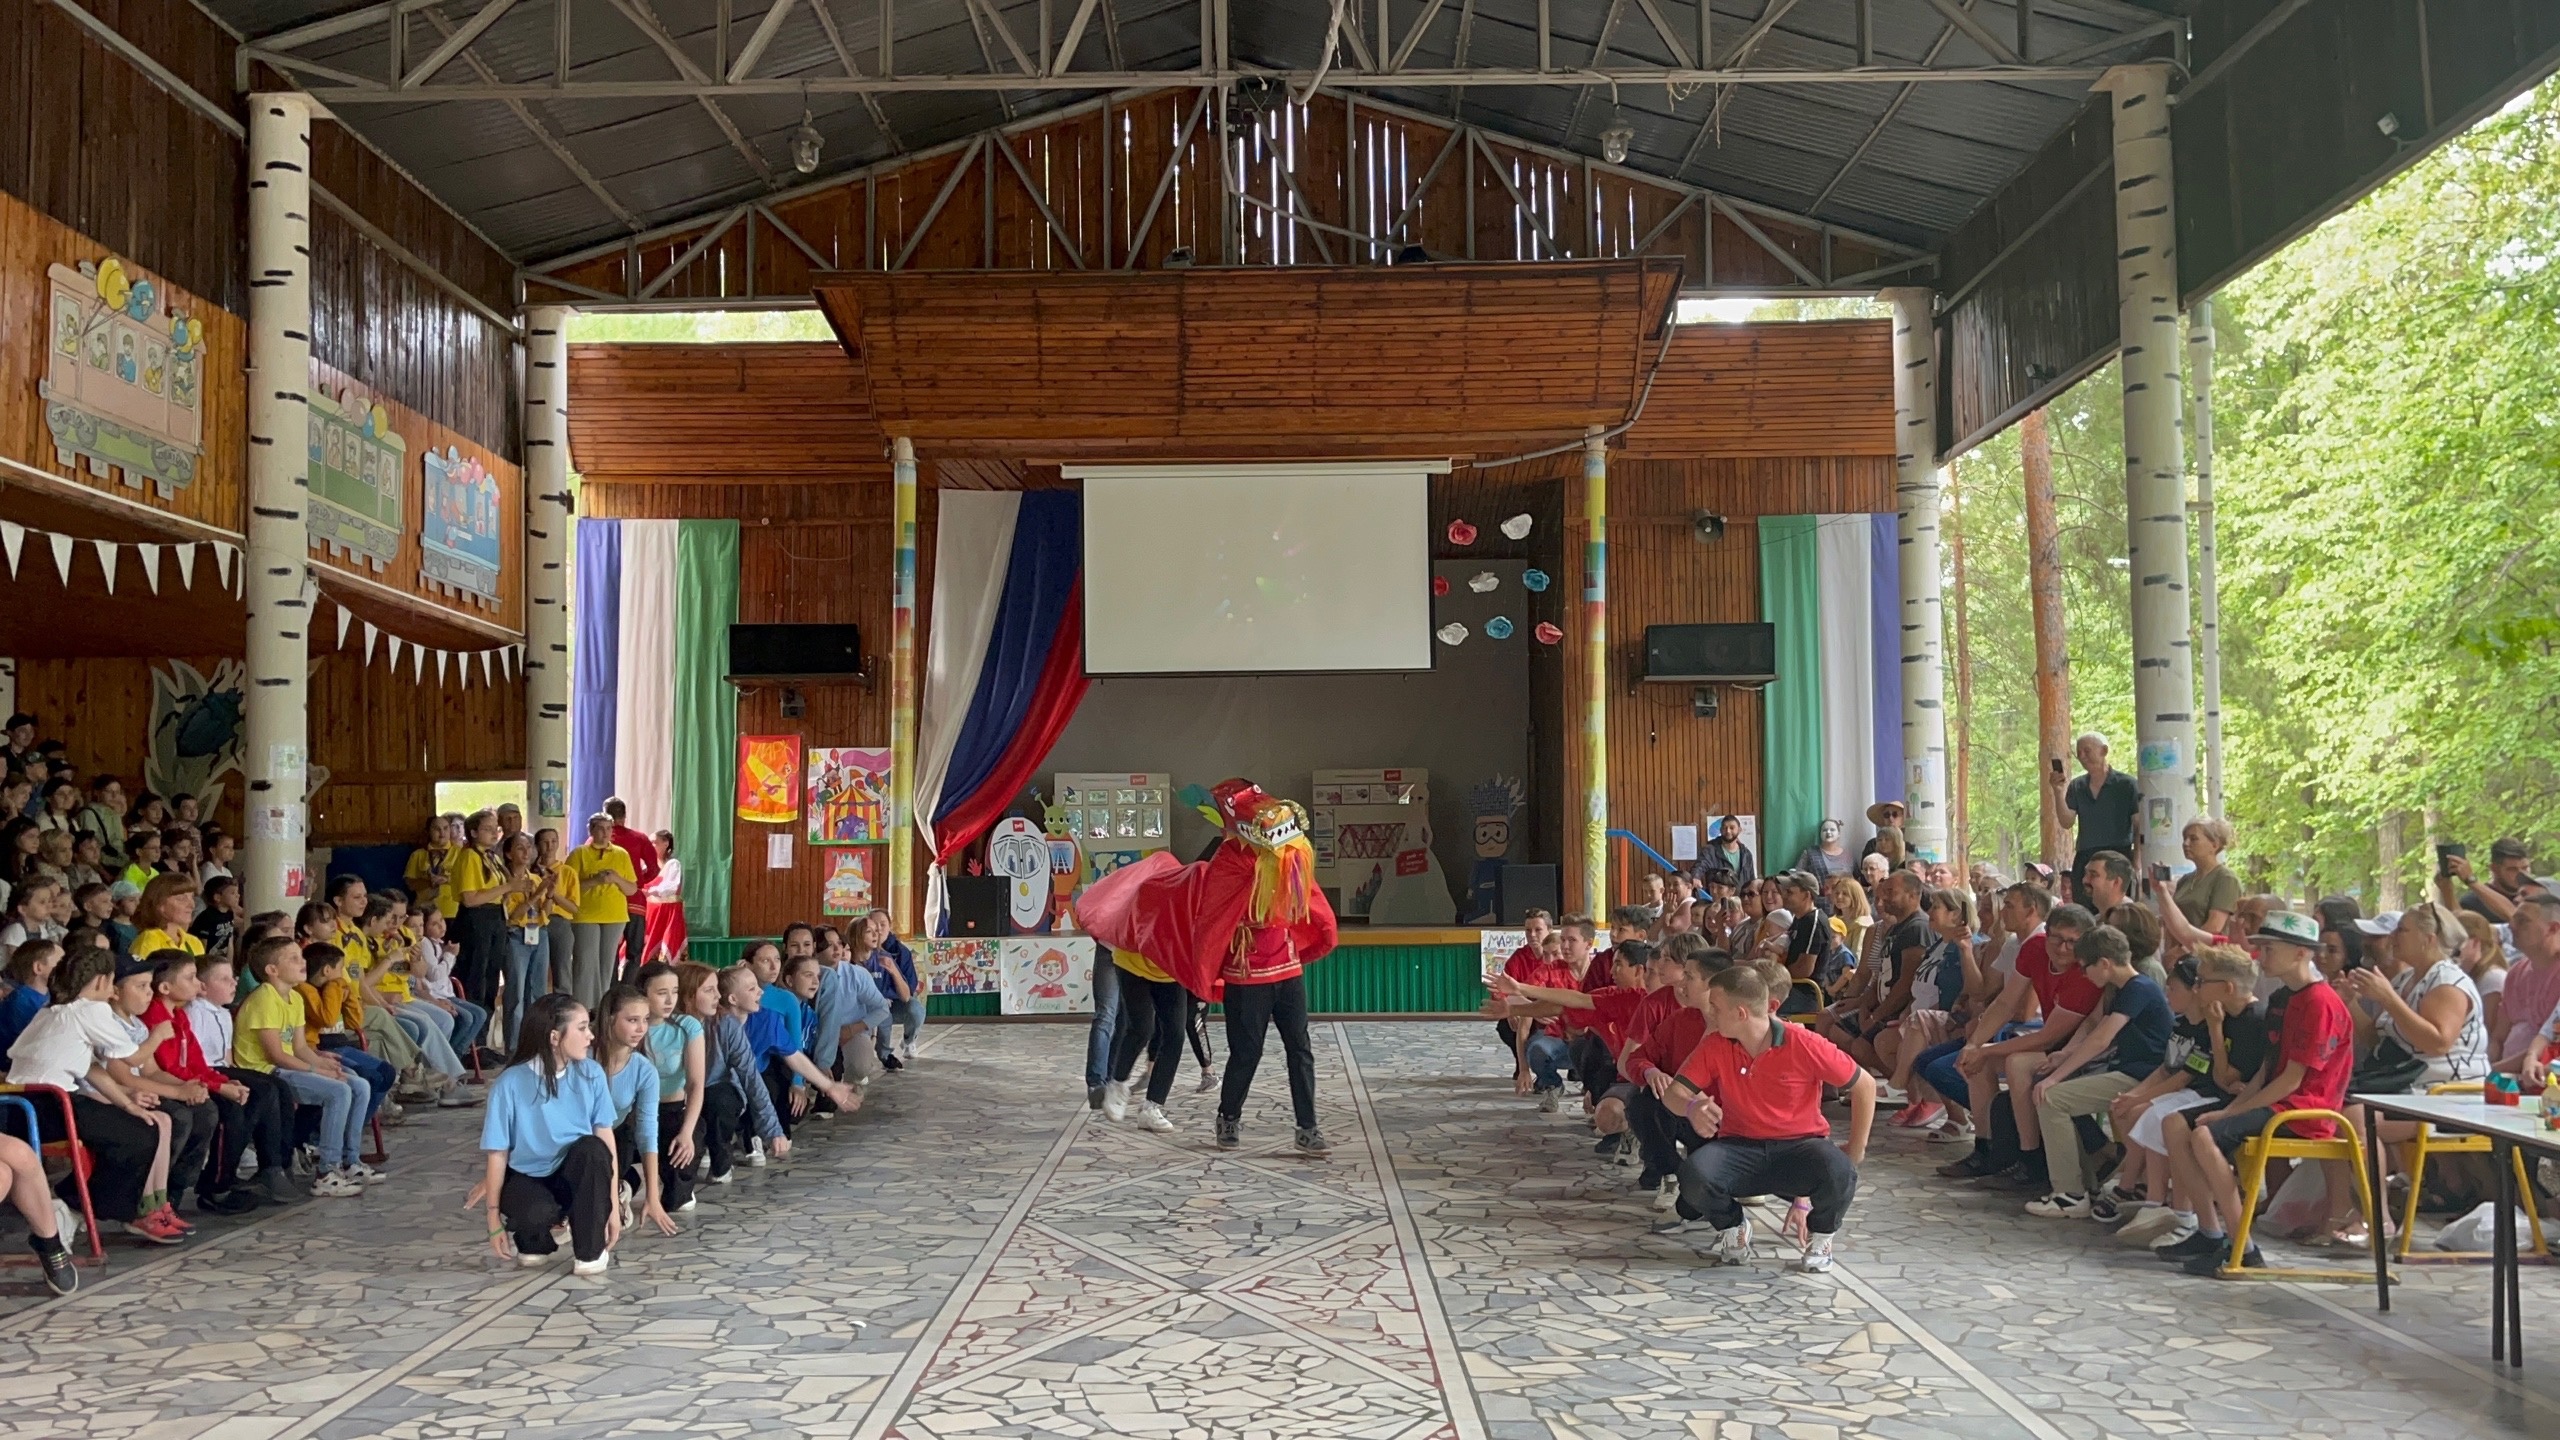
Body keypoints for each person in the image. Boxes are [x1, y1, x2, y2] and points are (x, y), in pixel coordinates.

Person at [1077, 779, 1338, 1155]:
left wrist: (1285, 854)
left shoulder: (1287, 853)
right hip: (1240, 974)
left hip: (1285, 969)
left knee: (1299, 1048)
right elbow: (1214, 920)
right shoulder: (1228, 862)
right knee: (1242, 1052)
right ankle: (1226, 1116)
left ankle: (1307, 1127)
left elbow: (1303, 896)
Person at [2157, 911, 2356, 1275]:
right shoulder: (2281, 998)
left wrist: (2229, 1113)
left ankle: (2242, 1246)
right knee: (2175, 1124)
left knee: (2204, 1135)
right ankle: (2210, 1231)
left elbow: (2291, 1081)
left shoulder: (2321, 1002)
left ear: (2301, 953)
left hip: (2306, 1110)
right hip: (2278, 1100)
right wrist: (2236, 1105)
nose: (2260, 956)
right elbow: (2267, 1069)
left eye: (2269, 949)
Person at [1651, 963, 1875, 1272]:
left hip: (1801, 1149)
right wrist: (1692, 1107)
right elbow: (1673, 1094)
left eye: (1716, 1007)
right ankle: (1733, 1228)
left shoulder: (1804, 1042)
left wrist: (1857, 1148)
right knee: (1694, 1174)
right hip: (1739, 1148)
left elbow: (1865, 1085)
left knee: (1840, 1170)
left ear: (1741, 1013)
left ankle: (1822, 1237)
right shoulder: (1715, 1045)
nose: (1710, 1013)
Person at [8, 948, 188, 1242]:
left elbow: (92, 1069)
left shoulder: (54, 1009)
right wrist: (157, 1035)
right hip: (51, 1104)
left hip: (21, 1108)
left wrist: (127, 1104)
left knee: (137, 1125)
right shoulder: (91, 1009)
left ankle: (75, 1203)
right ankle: (79, 1204)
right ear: (103, 981)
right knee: (141, 1135)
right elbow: (132, 1058)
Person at [2105, 946, 2271, 1246]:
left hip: (2240, 1102)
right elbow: (2221, 1077)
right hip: (2222, 1093)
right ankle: (2185, 1217)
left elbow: (2225, 1077)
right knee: (2169, 1121)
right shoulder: (2219, 1016)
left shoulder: (2251, 1020)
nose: (2197, 988)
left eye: (2202, 982)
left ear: (2227, 988)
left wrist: (2216, 1030)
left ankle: (2187, 1216)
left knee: (2176, 1123)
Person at [2019, 924, 2175, 1217]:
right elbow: (2098, 1032)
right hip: (2130, 1071)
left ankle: (2069, 1193)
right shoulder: (2128, 988)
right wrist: (2065, 1056)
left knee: (2052, 1098)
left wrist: (2055, 1077)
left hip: (2142, 1077)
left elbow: (2101, 1039)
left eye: (2085, 967)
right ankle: (2085, 1185)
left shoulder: (2138, 988)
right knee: (2055, 1094)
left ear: (2104, 963)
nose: (2083, 974)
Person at [471, 992, 622, 1275]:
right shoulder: (509, 1083)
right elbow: (498, 1153)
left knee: (592, 1149)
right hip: (528, 1177)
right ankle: (533, 1240)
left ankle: (590, 1252)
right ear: (554, 1037)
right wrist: (492, 1220)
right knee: (533, 1213)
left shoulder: (592, 1073)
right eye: (582, 1028)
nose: (590, 1036)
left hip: (573, 1174)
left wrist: (612, 1207)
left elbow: (606, 1141)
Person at [139, 950, 264, 1217]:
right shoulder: (155, 1017)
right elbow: (167, 1068)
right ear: (165, 987)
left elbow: (196, 1063)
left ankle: (207, 1183)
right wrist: (215, 1088)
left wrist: (223, 1081)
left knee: (246, 1098)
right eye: (191, 977)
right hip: (166, 1085)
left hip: (186, 1082)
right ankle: (184, 1191)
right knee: (211, 1112)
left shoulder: (179, 1016)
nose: (197, 984)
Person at [193, 951, 299, 1206]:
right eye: (224, 979)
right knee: (256, 1095)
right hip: (202, 1071)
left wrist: (239, 1080)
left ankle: (277, 1164)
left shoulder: (223, 1013)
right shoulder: (195, 1012)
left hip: (220, 1068)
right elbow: (197, 1060)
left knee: (278, 1088)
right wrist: (228, 1083)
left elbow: (227, 1059)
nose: (233, 983)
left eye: (233, 977)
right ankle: (221, 1182)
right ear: (203, 987)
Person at [593, 983, 677, 1240]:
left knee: (622, 1146)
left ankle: (622, 1186)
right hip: (576, 1137)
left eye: (645, 1020)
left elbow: (648, 1131)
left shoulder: (644, 1070)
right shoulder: (584, 1058)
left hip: (615, 1137)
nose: (641, 1028)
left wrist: (653, 1196)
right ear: (610, 1020)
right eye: (632, 1020)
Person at [701, 963, 788, 1178]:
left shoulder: (729, 1024)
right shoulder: (688, 1024)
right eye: (709, 990)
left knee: (726, 1097)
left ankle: (733, 1145)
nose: (760, 992)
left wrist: (773, 1130)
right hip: (687, 1097)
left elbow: (751, 1077)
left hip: (720, 1095)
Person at [638, 962, 706, 1214]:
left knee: (678, 1200)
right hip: (636, 1113)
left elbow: (696, 1083)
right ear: (643, 993)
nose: (670, 1000)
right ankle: (629, 1183)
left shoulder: (687, 1026)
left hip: (673, 1110)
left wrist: (687, 1132)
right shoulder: (632, 1026)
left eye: (674, 992)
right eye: (661, 993)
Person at [564, 815, 637, 1010]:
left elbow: (631, 889)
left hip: (614, 915)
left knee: (607, 965)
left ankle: (601, 1009)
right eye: (600, 828)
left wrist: (616, 879)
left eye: (608, 828)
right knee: (586, 962)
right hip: (585, 915)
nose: (605, 833)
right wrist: (595, 881)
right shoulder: (579, 853)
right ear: (591, 830)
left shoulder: (621, 854)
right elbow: (568, 887)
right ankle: (583, 1008)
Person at [2050, 732, 2139, 891]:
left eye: (2087, 751)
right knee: (2084, 902)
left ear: (2104, 751)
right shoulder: (2077, 786)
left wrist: (2137, 862)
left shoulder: (2127, 785)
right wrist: (2058, 791)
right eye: (2079, 753)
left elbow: (2139, 826)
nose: (2082, 757)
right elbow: (2066, 821)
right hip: (2086, 857)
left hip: (2118, 857)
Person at [450, 810, 517, 1014]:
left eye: (496, 828)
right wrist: (507, 887)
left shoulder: (492, 857)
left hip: (496, 916)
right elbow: (470, 899)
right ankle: (475, 1023)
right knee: (475, 974)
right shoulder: (470, 856)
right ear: (473, 832)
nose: (494, 833)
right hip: (477, 918)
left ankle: (486, 1021)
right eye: (487, 829)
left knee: (491, 974)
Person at [497, 832, 550, 1046]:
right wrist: (536, 895)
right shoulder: (506, 883)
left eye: (529, 847)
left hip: (538, 932)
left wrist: (549, 893)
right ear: (509, 854)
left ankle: (534, 1042)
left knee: (537, 990)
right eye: (520, 848)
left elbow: (546, 912)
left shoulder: (535, 879)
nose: (526, 852)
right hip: (516, 935)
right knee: (516, 992)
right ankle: (513, 1046)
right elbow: (512, 917)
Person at [604, 798, 661, 979]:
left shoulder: (597, 840)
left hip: (608, 902)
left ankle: (611, 988)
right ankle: (628, 988)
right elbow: (654, 869)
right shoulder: (639, 838)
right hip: (635, 902)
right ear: (625, 815)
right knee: (635, 952)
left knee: (610, 950)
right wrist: (639, 882)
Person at [862, 910, 924, 1066]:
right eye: (873, 927)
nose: (878, 930)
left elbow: (908, 993)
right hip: (866, 1004)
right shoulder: (857, 954)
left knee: (914, 1009)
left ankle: (908, 1041)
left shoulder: (899, 953)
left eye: (882, 925)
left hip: (894, 1004)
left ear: (890, 926)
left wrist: (893, 971)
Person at [2170, 818, 2240, 934]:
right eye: (2185, 838)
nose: (2186, 843)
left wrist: (2184, 944)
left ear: (2214, 845)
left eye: (2193, 839)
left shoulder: (2225, 878)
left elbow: (2214, 927)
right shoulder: (2185, 880)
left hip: (2206, 945)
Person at [2441, 837, 2533, 923]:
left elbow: (2515, 916)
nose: (2522, 874)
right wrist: (2447, 889)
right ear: (2494, 869)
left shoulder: (2536, 896)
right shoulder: (2472, 903)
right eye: (2512, 869)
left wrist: (2471, 880)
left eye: (2525, 868)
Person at [641, 830, 687, 965]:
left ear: (666, 844)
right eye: (649, 843)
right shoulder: (646, 866)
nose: (651, 846)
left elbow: (670, 887)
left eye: (654, 843)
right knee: (647, 944)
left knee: (668, 943)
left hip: (669, 913)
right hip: (651, 911)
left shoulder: (673, 864)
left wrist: (650, 891)